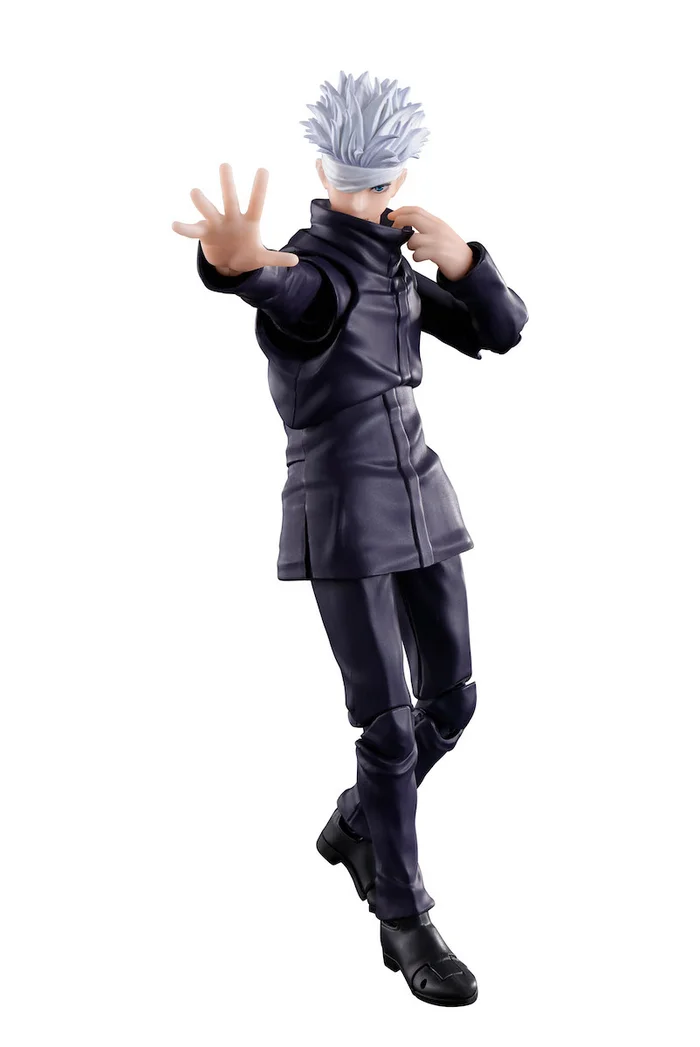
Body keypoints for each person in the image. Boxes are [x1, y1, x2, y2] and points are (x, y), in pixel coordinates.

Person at [173, 70, 528, 1007]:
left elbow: (500, 332)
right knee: (388, 724)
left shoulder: (391, 264)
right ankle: (402, 916)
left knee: (452, 701)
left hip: (423, 493)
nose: (366, 188)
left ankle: (357, 822)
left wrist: (464, 261)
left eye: (375, 175)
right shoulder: (318, 269)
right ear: (329, 170)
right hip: (343, 512)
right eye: (355, 173)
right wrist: (236, 267)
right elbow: (286, 290)